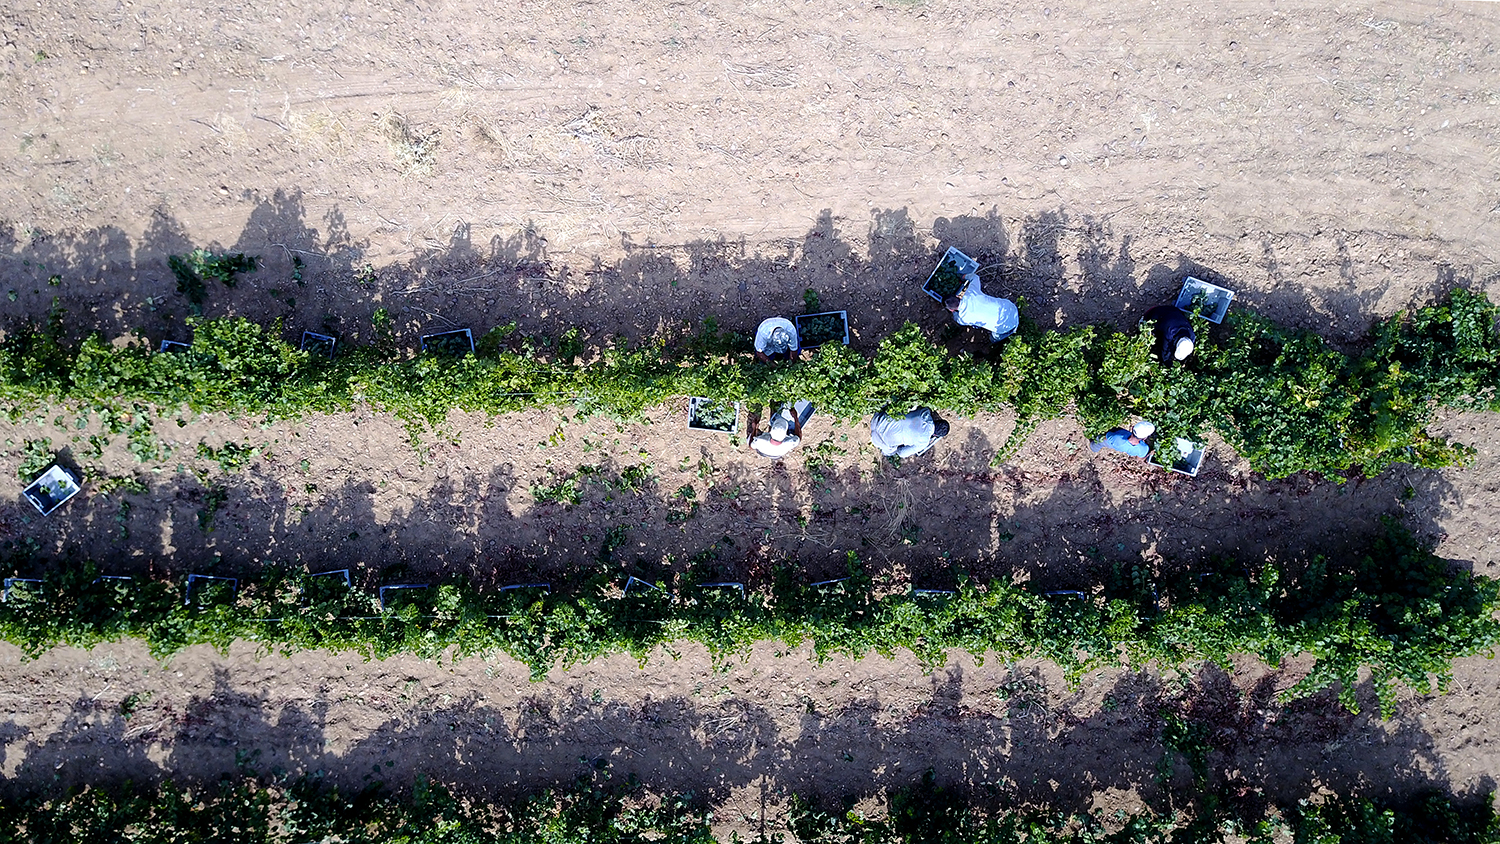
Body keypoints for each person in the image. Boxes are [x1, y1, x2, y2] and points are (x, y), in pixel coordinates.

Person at [945, 272, 1019, 342]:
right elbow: (975, 277)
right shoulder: (971, 293)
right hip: (1011, 309)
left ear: (951, 310)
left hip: (1007, 327)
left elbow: (956, 318)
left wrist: (954, 313)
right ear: (957, 296)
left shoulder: (963, 319)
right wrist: (963, 276)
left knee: (993, 338)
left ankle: (994, 341)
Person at [870, 407, 949, 459]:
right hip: (878, 439)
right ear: (935, 435)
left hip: (878, 418)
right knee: (890, 451)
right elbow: (901, 453)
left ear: (937, 420)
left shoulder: (925, 412)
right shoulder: (923, 442)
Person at [1090, 421, 1156, 458]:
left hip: (1110, 441)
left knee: (1099, 440)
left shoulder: (1117, 438)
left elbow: (1106, 436)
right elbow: (1143, 455)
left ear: (1132, 428)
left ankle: (1092, 448)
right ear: (1144, 438)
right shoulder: (1143, 449)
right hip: (1119, 444)